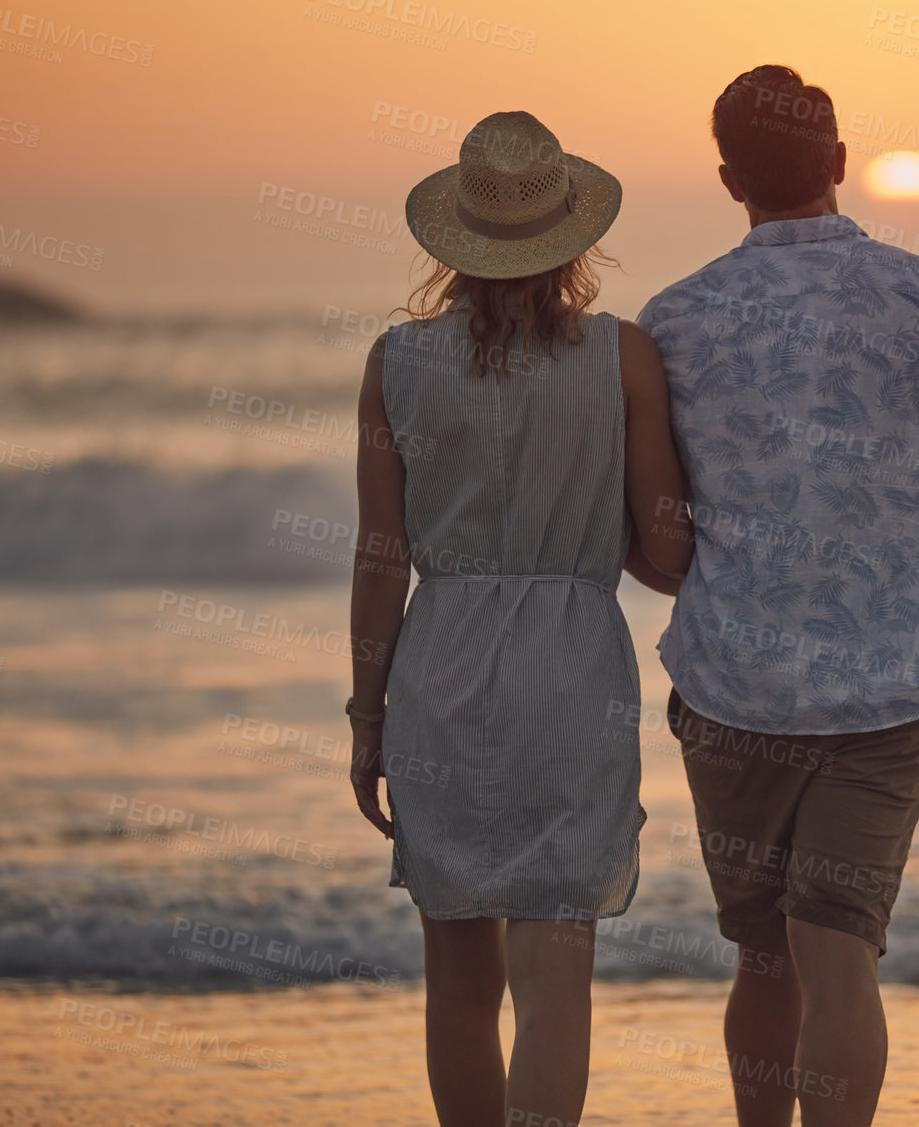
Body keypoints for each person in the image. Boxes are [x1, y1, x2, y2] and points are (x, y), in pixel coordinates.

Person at [627, 65, 919, 1126]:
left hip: (731, 686)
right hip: (881, 695)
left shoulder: (672, 319)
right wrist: (902, 605)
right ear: (840, 162)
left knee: (763, 953)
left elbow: (658, 543)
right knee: (839, 952)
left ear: (727, 179)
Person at [347, 110, 692, 1127]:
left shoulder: (396, 361)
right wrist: (594, 537)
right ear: (572, 237)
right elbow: (667, 551)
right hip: (572, 667)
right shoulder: (623, 357)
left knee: (458, 980)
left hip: (437, 667)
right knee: (556, 979)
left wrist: (367, 713)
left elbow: (380, 557)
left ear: (453, 240)